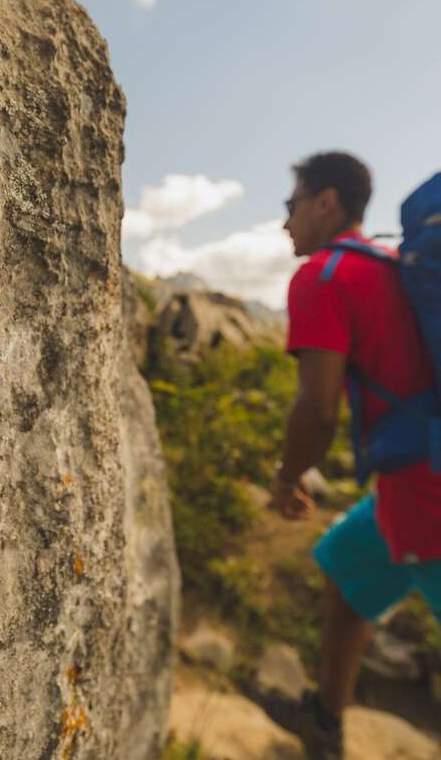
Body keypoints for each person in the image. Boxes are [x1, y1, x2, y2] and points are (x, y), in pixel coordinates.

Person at [272, 151, 441, 759]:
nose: (285, 222)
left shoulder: (323, 276)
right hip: (407, 482)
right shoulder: (394, 264)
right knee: (347, 568)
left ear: (326, 202)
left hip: (426, 496)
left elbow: (317, 413)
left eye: (291, 206)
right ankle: (326, 720)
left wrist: (286, 476)